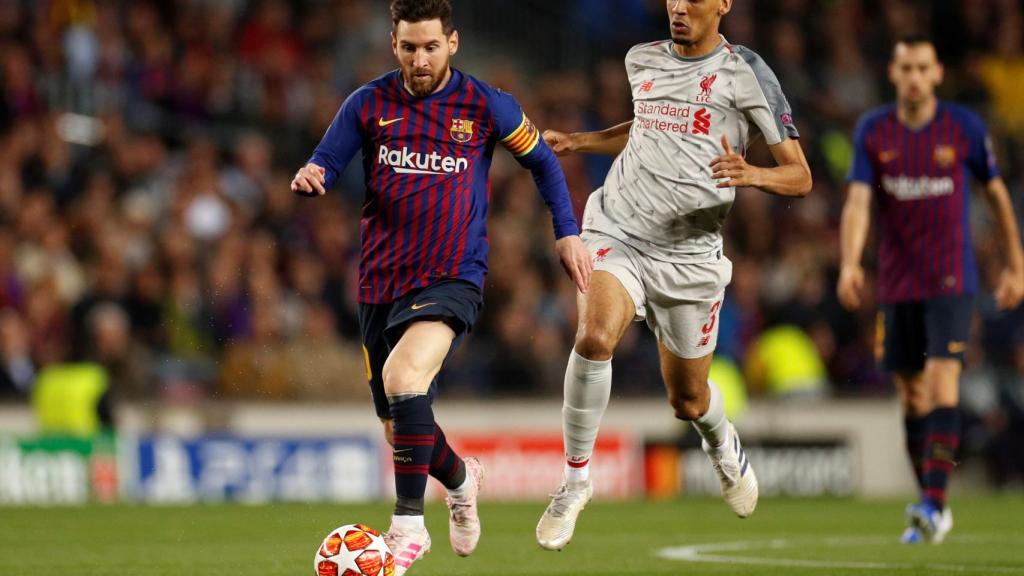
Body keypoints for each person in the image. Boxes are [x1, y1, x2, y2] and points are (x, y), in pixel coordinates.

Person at [290, 1, 592, 573]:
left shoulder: (485, 104)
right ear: (393, 44)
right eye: (409, 47)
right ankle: (461, 479)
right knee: (399, 423)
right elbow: (326, 158)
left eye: (431, 47)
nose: (420, 59)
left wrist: (567, 233)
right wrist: (316, 175)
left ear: (452, 43)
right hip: (380, 284)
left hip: (453, 276)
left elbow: (545, 163)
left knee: (405, 379)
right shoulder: (368, 103)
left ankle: (407, 528)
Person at [535, 0, 812, 550]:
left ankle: (721, 443)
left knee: (686, 399)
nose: (678, 7)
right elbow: (646, 129)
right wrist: (582, 141)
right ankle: (574, 482)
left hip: (689, 257)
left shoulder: (747, 73)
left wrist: (752, 173)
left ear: (724, 4)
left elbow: (800, 175)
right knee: (593, 337)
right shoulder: (642, 59)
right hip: (619, 228)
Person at [838, 36, 1024, 544]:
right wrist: (851, 262)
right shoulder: (874, 130)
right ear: (894, 74)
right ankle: (930, 499)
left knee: (943, 381)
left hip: (951, 280)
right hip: (897, 285)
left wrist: (1016, 264)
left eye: (923, 67)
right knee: (911, 392)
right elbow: (857, 202)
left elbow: (997, 194)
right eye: (906, 68)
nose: (915, 77)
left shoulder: (964, 127)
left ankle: (934, 504)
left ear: (937, 72)